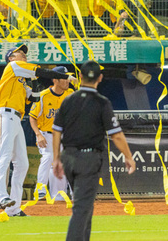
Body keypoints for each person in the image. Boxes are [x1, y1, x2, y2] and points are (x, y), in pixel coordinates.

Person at [53, 60, 136, 241]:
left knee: (85, 204)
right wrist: (128, 156)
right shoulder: (101, 103)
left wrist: (57, 158)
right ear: (100, 78)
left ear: (80, 76)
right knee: (82, 207)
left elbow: (56, 131)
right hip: (88, 159)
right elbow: (117, 135)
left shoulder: (68, 100)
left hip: (69, 157)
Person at [0, 44, 69, 217]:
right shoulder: (12, 67)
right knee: (4, 155)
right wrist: (65, 76)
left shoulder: (19, 82)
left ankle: (14, 209)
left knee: (22, 163)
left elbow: (34, 96)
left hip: (16, 119)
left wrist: (36, 84)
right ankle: (1, 196)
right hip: (4, 114)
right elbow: (43, 72)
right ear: (11, 58)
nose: (24, 55)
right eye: (20, 53)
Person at [29, 65, 76, 200]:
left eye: (68, 78)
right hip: (46, 134)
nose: (67, 81)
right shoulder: (43, 95)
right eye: (64, 78)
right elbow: (32, 116)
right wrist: (38, 135)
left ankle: (67, 194)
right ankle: (40, 187)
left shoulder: (70, 94)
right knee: (48, 156)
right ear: (55, 80)